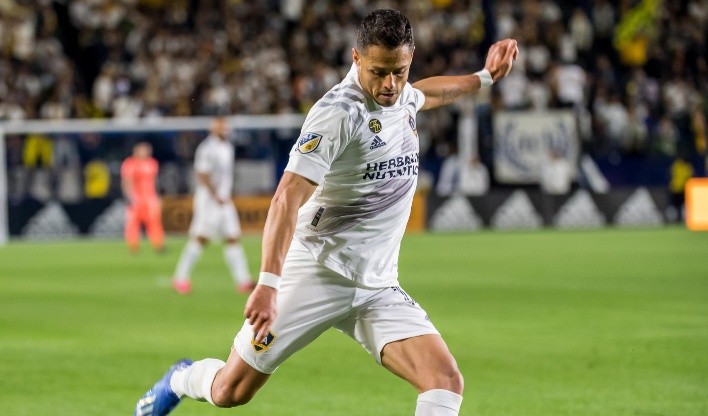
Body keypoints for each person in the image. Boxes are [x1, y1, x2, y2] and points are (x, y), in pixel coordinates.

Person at [135, 9, 517, 416]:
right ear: (356, 58)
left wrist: (485, 77)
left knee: (444, 382)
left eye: (400, 71)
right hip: (316, 271)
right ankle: (179, 378)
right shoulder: (338, 113)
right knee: (231, 390)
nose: (389, 84)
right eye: (379, 72)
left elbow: (430, 93)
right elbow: (286, 198)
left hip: (377, 285)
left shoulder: (402, 93)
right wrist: (266, 284)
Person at [171, 117, 255, 295]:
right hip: (209, 200)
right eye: (221, 126)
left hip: (224, 200)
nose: (225, 129)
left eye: (225, 126)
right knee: (201, 238)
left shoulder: (228, 147)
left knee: (232, 238)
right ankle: (180, 278)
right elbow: (201, 173)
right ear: (213, 128)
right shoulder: (207, 148)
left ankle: (243, 281)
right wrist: (215, 194)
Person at [121, 141, 165, 253]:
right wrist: (129, 196)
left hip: (150, 197)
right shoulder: (130, 163)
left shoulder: (152, 163)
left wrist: (157, 196)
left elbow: (155, 182)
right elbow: (127, 181)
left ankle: (158, 244)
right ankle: (133, 246)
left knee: (154, 221)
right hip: (136, 197)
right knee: (133, 222)